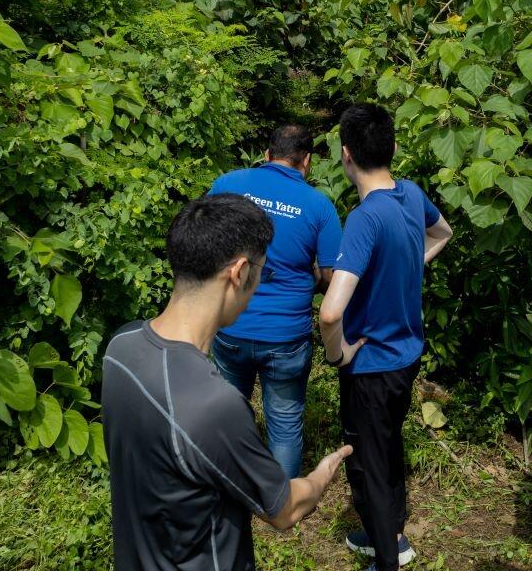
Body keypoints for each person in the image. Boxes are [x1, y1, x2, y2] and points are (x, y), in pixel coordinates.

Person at [101, 194, 352, 571]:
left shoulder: (121, 346)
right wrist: (322, 474)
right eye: (261, 274)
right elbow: (285, 510)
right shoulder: (211, 404)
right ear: (238, 273)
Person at [317, 103, 453, 571]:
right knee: (388, 445)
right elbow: (444, 232)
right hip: (407, 355)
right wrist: (409, 268)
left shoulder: (364, 219)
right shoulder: (411, 195)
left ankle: (387, 558)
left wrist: (339, 355)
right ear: (393, 148)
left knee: (369, 463)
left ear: (345, 155)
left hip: (371, 365)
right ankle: (389, 531)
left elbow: (330, 313)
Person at [208, 124, 342, 478]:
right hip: (286, 335)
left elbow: (205, 245)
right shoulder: (320, 206)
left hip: (231, 326)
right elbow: (332, 278)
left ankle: (230, 481)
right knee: (284, 421)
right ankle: (282, 506)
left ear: (266, 155)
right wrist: (312, 276)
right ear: (308, 161)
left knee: (228, 411)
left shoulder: (227, 185)